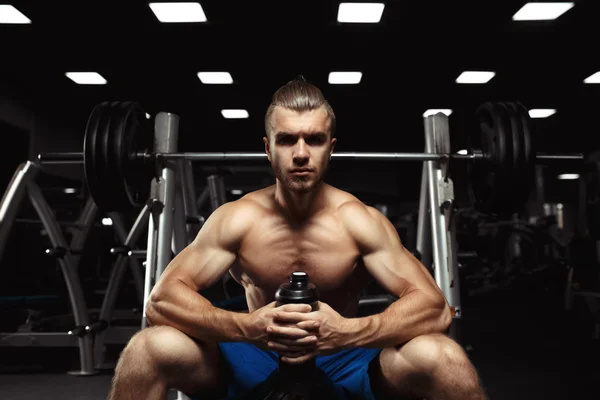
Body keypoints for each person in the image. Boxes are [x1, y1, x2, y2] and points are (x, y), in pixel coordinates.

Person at [107, 76, 488, 400]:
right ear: (268, 147)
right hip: (253, 356)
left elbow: (434, 309)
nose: (301, 153)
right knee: (147, 349)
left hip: (344, 358)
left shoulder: (357, 220)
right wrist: (248, 328)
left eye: (315, 139)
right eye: (288, 139)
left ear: (331, 148)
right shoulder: (238, 219)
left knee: (445, 358)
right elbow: (161, 301)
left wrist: (348, 332)